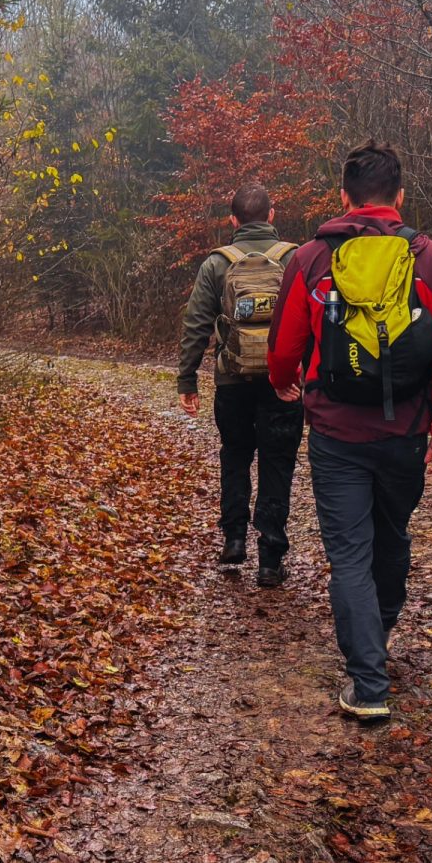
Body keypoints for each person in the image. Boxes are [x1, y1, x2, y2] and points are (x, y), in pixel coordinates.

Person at [267, 143, 432, 721]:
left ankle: (367, 680)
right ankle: (375, 637)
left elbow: (284, 344)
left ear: (343, 196)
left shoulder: (311, 258)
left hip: (335, 432)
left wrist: (285, 382)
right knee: (392, 535)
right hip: (404, 428)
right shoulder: (431, 260)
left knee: (350, 553)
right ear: (400, 197)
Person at [177, 184, 305, 588]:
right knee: (277, 462)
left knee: (234, 454)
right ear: (272, 214)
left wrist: (187, 377)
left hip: (231, 380)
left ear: (232, 220)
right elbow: (315, 322)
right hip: (283, 382)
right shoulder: (295, 258)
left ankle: (233, 538)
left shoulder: (217, 263)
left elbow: (196, 323)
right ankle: (270, 557)